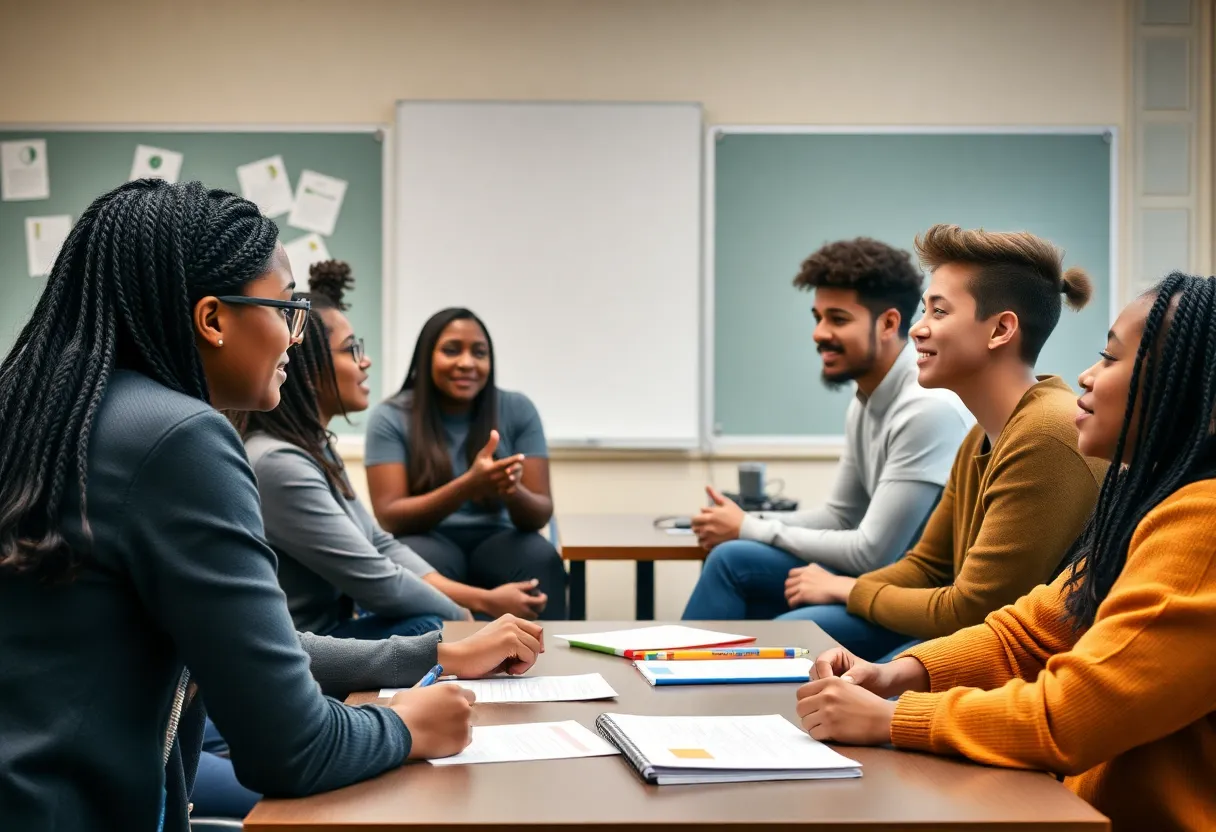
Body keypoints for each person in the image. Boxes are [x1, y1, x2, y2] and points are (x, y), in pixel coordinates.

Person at [0, 181, 476, 832]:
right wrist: (406, 726)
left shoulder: (43, 415)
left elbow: (245, 644)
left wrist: (427, 654)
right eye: (287, 310)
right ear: (213, 320)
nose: (294, 339)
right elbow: (294, 749)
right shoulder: (181, 440)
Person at [796, 272, 1216, 832]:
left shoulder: (1203, 524)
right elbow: (1035, 630)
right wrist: (897, 673)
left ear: (1185, 386)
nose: (1087, 376)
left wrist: (895, 719)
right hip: (1078, 805)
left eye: (1110, 359)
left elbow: (1069, 716)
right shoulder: (1150, 497)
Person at [774, 225, 1108, 661]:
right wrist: (853, 591)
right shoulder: (979, 436)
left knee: (852, 667)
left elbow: (972, 611)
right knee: (789, 633)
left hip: (1022, 661)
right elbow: (927, 567)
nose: (917, 330)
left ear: (1001, 330)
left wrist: (850, 589)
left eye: (939, 312)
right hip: (977, 637)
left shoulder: (1046, 434)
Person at [237, 261, 548, 635]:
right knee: (430, 625)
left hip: (327, 630)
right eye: (351, 350)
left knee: (443, 614)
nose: (365, 361)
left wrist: (473, 603)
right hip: (303, 649)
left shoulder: (314, 445)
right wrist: (464, 617)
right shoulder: (279, 463)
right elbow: (375, 578)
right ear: (307, 368)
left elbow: (377, 541)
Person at [682, 238, 972, 622]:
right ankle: (679, 675)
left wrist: (751, 526)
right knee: (730, 558)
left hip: (914, 601)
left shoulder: (926, 409)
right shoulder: (864, 403)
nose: (819, 333)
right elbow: (839, 517)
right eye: (817, 317)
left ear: (888, 323)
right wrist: (743, 524)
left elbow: (872, 552)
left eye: (837, 319)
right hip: (874, 580)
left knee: (790, 628)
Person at [193, 613, 547, 818]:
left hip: (194, 713)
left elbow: (262, 642)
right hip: (166, 763)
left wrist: (443, 654)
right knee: (357, 804)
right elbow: (293, 746)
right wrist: (403, 726)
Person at [365, 307, 567, 620]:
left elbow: (539, 513)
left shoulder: (518, 409)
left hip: (499, 537)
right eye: (451, 350)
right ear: (425, 356)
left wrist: (511, 489)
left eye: (479, 353)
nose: (467, 363)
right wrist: (468, 485)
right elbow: (391, 517)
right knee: (416, 561)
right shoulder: (390, 416)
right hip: (428, 537)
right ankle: (437, 663)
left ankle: (544, 663)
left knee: (539, 557)